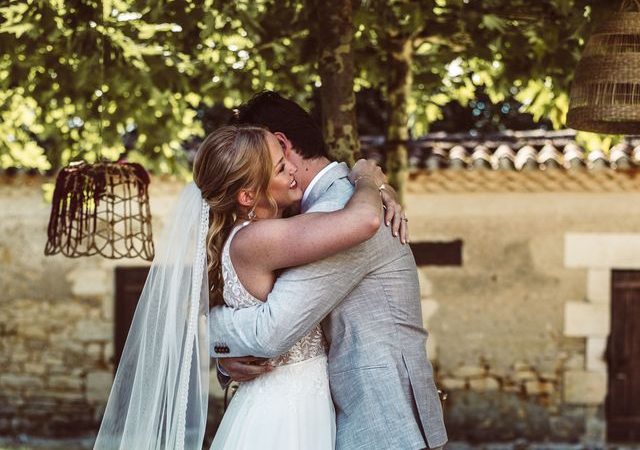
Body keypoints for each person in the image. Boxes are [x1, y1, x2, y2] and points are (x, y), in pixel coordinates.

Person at [93, 123, 404, 450]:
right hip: (286, 414)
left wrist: (223, 353)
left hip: (291, 402)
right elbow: (364, 221)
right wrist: (370, 180)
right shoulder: (257, 238)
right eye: (282, 168)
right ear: (248, 196)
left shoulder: (256, 233)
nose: (293, 170)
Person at [211, 91, 448, 450]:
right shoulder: (316, 212)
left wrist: (203, 334)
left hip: (384, 426)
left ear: (278, 143)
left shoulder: (341, 209)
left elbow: (273, 330)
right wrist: (227, 362)